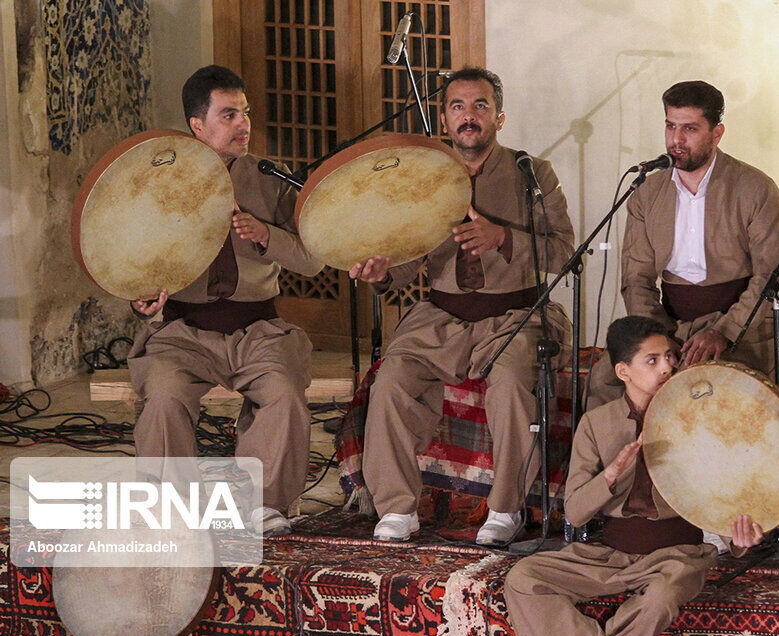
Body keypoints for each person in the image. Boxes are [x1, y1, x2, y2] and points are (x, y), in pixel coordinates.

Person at [352, 67, 576, 546]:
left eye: (480, 106)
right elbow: (406, 258)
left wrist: (504, 238)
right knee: (390, 381)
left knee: (513, 383)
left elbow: (564, 251)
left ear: (499, 117)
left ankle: (505, 507)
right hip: (442, 319)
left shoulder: (531, 172)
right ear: (444, 118)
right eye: (458, 107)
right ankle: (397, 507)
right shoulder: (423, 178)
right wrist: (382, 274)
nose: (468, 117)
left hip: (515, 315)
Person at [505, 315, 763, 636]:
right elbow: (574, 512)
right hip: (608, 555)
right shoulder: (596, 424)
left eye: (671, 358)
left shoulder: (699, 421)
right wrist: (610, 475)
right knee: (524, 578)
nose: (668, 367)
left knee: (660, 596)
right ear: (623, 371)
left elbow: (721, 497)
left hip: (675, 556)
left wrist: (740, 539)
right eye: (653, 360)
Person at [127, 65, 323, 536]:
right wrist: (141, 300)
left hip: (258, 331)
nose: (244, 125)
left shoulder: (271, 179)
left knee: (283, 392)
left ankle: (265, 505)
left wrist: (265, 235)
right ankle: (169, 513)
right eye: (229, 114)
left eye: (246, 113)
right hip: (182, 333)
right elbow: (131, 259)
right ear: (198, 126)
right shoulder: (161, 179)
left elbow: (313, 261)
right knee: (165, 398)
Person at [585, 80, 779, 411]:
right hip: (669, 327)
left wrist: (723, 331)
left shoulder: (755, 189)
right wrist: (659, 338)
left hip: (740, 328)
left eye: (690, 129)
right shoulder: (647, 192)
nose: (676, 140)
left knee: (701, 391)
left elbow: (771, 280)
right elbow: (636, 278)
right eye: (670, 126)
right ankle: (620, 464)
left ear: (717, 133)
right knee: (602, 382)